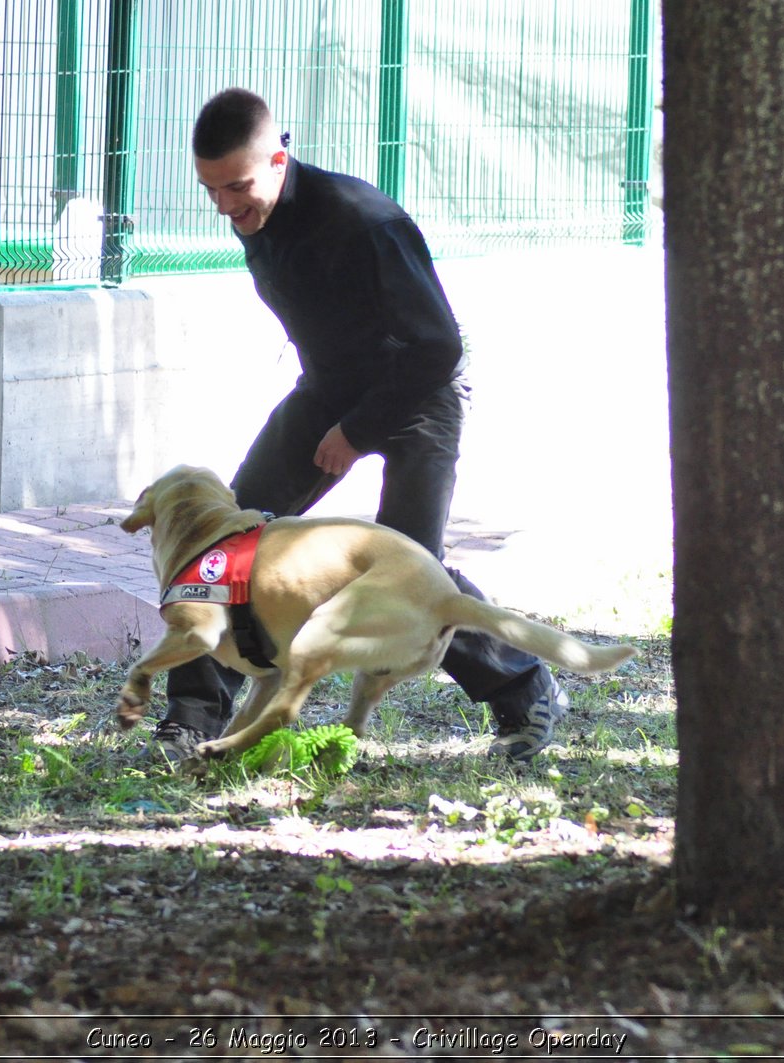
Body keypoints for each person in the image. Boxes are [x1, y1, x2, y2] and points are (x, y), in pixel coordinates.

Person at [147, 87, 566, 765]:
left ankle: (525, 688)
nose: (225, 206)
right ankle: (191, 717)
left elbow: (437, 346)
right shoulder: (256, 216)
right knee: (224, 544)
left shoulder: (363, 221)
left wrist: (359, 429)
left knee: (406, 570)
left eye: (238, 187)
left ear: (280, 157)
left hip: (417, 394)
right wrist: (332, 413)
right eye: (211, 190)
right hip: (327, 390)